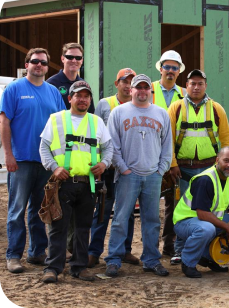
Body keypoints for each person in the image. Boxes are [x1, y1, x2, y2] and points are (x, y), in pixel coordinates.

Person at [39, 80, 113, 283]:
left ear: (90, 99)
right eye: (78, 95)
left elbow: (108, 148)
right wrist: (55, 167)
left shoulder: (96, 121)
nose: (83, 99)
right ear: (70, 98)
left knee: (83, 228)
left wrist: (104, 164)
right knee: (58, 226)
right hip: (63, 183)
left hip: (87, 184)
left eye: (86, 96)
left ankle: (79, 268)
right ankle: (53, 267)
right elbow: (44, 147)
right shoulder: (56, 119)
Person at [0, 48, 66, 274]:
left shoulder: (53, 92)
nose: (39, 66)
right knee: (17, 209)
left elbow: (61, 126)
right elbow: (5, 122)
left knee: (41, 209)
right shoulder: (14, 89)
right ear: (26, 64)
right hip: (21, 161)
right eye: (35, 62)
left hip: (46, 163)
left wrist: (59, 160)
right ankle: (14, 255)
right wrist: (8, 155)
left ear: (48, 67)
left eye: (43, 63)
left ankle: (38, 252)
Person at [105, 74, 172, 277]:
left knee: (151, 219)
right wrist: (123, 168)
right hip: (128, 175)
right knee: (120, 218)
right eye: (138, 87)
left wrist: (161, 169)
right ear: (131, 90)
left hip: (153, 175)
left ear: (150, 91)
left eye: (145, 88)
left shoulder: (161, 114)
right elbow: (112, 145)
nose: (142, 91)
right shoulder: (118, 112)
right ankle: (114, 259)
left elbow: (167, 146)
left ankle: (151, 259)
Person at [168, 69, 229, 264]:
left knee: (207, 209)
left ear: (206, 86)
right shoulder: (176, 108)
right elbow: (168, 140)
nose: (196, 87)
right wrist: (172, 164)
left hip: (208, 170)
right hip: (183, 170)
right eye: (192, 83)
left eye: (200, 84)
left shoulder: (216, 109)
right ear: (186, 86)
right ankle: (179, 250)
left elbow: (226, 139)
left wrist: (225, 165)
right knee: (183, 210)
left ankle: (205, 250)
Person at [87, 68, 139, 268]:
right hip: (108, 169)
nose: (127, 86)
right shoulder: (104, 104)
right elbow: (94, 133)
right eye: (124, 82)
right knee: (102, 210)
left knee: (127, 212)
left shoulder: (142, 105)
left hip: (129, 169)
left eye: (131, 82)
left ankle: (125, 251)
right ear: (116, 84)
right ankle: (94, 252)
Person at [173, 146, 229, 278]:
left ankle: (208, 258)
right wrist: (227, 226)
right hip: (186, 222)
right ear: (217, 160)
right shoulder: (205, 179)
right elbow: (202, 214)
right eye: (226, 161)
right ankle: (188, 262)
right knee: (206, 229)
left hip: (208, 221)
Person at [152, 50, 187, 259]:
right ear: (161, 68)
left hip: (174, 157)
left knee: (173, 204)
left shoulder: (184, 93)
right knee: (148, 205)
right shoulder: (150, 90)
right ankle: (149, 247)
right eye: (167, 67)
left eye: (175, 68)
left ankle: (169, 245)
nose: (171, 71)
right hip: (150, 155)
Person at [47, 42, 95, 113]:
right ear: (62, 58)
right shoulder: (51, 84)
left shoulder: (84, 85)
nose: (74, 61)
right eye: (70, 57)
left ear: (82, 60)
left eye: (78, 58)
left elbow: (90, 112)